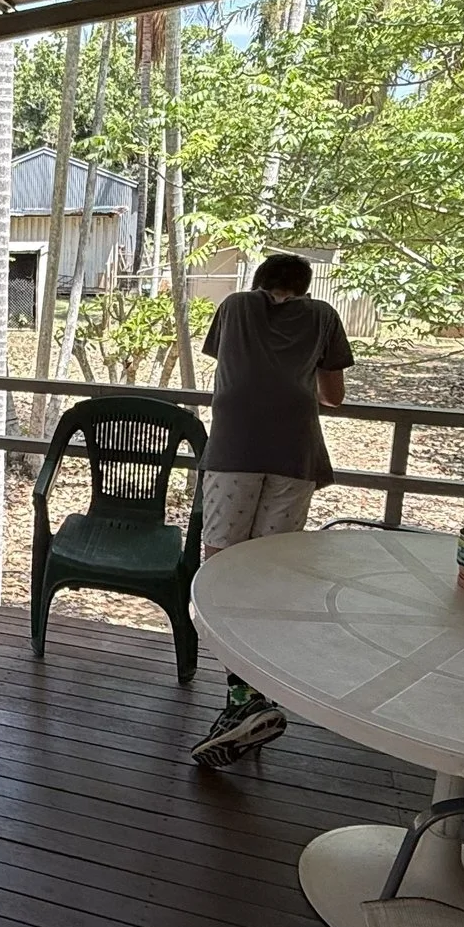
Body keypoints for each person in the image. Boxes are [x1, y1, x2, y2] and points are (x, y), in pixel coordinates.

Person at [190, 252, 353, 768]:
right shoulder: (324, 315)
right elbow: (335, 397)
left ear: (259, 283)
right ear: (304, 287)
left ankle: (243, 700)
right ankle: (256, 696)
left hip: (234, 448)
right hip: (293, 452)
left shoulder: (235, 306)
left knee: (220, 567)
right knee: (268, 573)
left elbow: (228, 364)